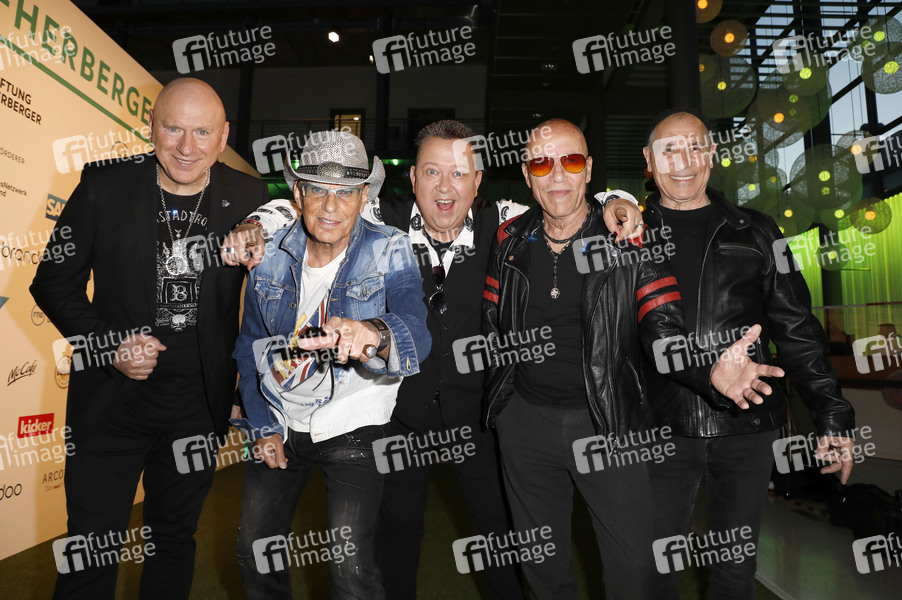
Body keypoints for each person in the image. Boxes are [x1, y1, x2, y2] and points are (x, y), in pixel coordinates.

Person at [222, 120, 644, 599]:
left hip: (481, 419)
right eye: (431, 172)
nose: (445, 187)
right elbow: (311, 201)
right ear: (413, 177)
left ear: (478, 181)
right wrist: (257, 225)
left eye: (459, 173)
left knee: (501, 541)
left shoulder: (506, 222)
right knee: (394, 541)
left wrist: (616, 200)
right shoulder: (382, 219)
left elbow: (564, 197)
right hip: (400, 417)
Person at [482, 118, 784, 600]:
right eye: (541, 163)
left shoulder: (628, 239)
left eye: (571, 161)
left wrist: (707, 372)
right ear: (526, 174)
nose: (557, 175)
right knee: (542, 573)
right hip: (524, 424)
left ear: (588, 170)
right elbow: (493, 323)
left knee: (634, 572)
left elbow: (663, 327)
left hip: (609, 425)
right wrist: (503, 408)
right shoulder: (510, 240)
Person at [30, 78, 269, 599]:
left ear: (224, 135)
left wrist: (262, 225)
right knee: (90, 551)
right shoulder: (105, 185)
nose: (187, 147)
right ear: (151, 127)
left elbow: (294, 218)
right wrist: (110, 346)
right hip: (109, 408)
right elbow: (52, 282)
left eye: (202, 132)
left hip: (196, 409)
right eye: (173, 129)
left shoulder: (250, 197)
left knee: (173, 542)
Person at [640, 108, 857, 600]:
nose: (684, 161)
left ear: (712, 155)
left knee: (734, 569)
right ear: (649, 161)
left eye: (696, 147)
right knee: (651, 571)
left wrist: (833, 413)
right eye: (669, 149)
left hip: (747, 420)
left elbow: (797, 328)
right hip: (658, 424)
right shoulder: (627, 233)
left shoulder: (759, 231)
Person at [231, 130, 431, 600]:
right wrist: (262, 425)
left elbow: (417, 332)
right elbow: (250, 344)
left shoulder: (390, 247)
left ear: (364, 198)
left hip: (353, 421)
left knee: (349, 567)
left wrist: (372, 334)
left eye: (345, 193)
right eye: (318, 190)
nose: (330, 206)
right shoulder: (268, 254)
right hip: (280, 418)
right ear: (298, 193)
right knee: (253, 552)